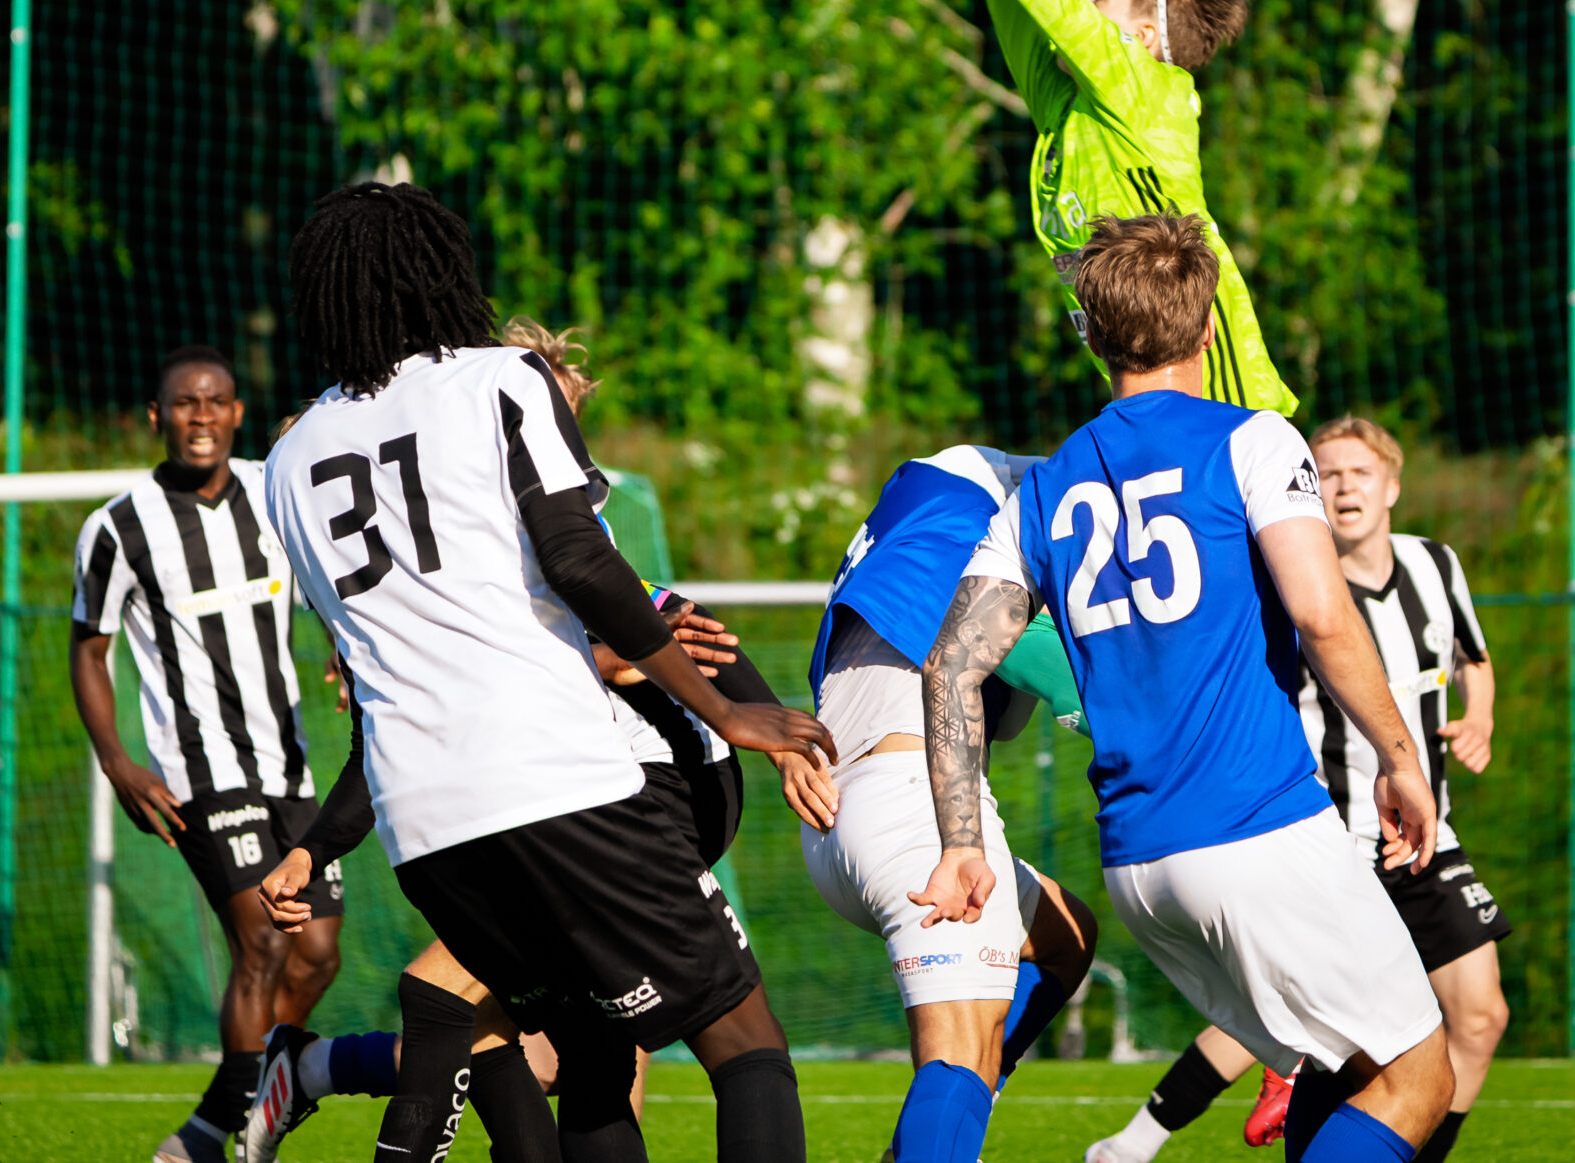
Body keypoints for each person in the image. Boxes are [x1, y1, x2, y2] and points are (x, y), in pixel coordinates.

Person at [257, 181, 834, 1163]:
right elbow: (580, 559)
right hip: (559, 783)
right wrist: (728, 712)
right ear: (441, 273)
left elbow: (373, 658)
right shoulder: (500, 378)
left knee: (594, 1054)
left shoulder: (287, 458)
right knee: (745, 1041)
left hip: (425, 830)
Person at [910, 213, 1454, 1163]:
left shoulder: (1040, 490)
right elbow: (1324, 613)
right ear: (1209, 328)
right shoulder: (1253, 440)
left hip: (1140, 866)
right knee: (1419, 1078)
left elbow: (951, 664)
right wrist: (1400, 757)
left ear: (1091, 334)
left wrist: (961, 843)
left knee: (1337, 1067)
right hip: (1255, 826)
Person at [1088, 418, 1510, 1163]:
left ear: (1393, 486)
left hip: (1424, 832)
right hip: (1333, 831)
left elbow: (1473, 659)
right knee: (1281, 1021)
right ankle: (1133, 1144)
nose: (1345, 487)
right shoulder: (1289, 572)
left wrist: (1479, 717)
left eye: (1361, 472)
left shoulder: (1435, 565)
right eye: (1330, 473)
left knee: (1479, 1016)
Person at [860, 0, 1295, 414]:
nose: (1078, 7)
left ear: (1142, 40)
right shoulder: (1074, 112)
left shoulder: (1145, 93)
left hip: (1221, 395)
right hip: (1143, 395)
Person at [67, 345, 361, 1163]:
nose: (201, 417)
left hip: (289, 764)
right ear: (156, 417)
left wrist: (343, 648)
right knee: (263, 941)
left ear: (237, 412)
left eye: (216, 402)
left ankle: (226, 1116)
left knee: (318, 953)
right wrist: (117, 760)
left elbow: (332, 575)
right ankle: (238, 1133)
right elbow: (88, 648)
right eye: (185, 403)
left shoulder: (275, 492)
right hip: (200, 773)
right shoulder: (117, 526)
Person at [793, 446, 1100, 1163]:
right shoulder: (979, 512)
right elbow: (1047, 676)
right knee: (958, 1052)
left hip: (848, 813)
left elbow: (1001, 710)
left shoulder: (918, 512)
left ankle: (931, 1137)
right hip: (912, 811)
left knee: (1065, 937)